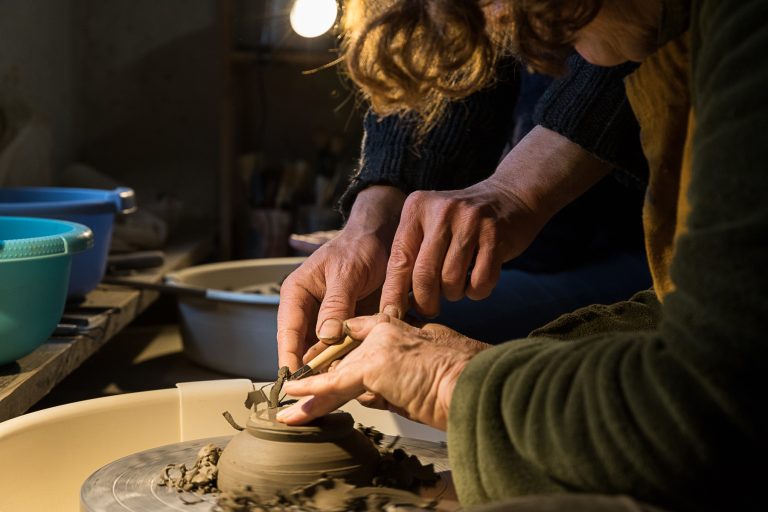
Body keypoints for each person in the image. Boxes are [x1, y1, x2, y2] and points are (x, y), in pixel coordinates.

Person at [276, 0, 768, 511]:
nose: (500, 33)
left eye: (489, 6)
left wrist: (451, 383)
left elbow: (720, 405)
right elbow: (694, 330)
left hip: (597, 245)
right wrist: (373, 220)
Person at [277, 55, 652, 366]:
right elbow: (440, 52)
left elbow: (629, 50)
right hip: (520, 256)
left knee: (409, 341)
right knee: (359, 329)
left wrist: (512, 191)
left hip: (635, 249)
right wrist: (367, 228)